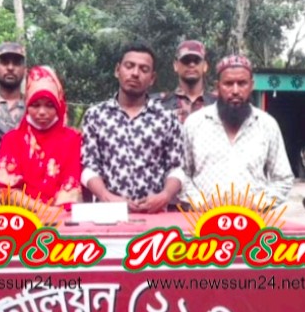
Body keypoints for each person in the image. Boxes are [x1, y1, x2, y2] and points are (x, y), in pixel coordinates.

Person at [81, 42, 186, 213]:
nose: (135, 73)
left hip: (154, 215)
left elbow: (177, 168)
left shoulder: (166, 118)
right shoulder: (96, 116)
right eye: (129, 66)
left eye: (144, 69)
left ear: (152, 78)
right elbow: (89, 168)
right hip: (108, 215)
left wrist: (165, 196)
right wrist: (106, 196)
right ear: (117, 70)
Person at [181, 54, 293, 207]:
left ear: (251, 85)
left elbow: (283, 179)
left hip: (253, 219)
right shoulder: (195, 123)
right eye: (228, 83)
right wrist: (202, 203)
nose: (235, 90)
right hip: (203, 218)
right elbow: (182, 173)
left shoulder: (267, 125)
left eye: (242, 83)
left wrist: (257, 203)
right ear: (218, 86)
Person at [0, 65, 82, 206]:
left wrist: (54, 214)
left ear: (59, 105)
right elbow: (5, 191)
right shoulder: (12, 140)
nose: (42, 112)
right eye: (35, 105)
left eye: (49, 105)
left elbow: (71, 186)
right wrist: (39, 210)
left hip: (61, 215)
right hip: (22, 214)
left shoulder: (72, 139)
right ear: (27, 105)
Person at [158, 40, 217, 124]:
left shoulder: (217, 104)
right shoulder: (161, 104)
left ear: (205, 66)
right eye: (186, 60)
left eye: (196, 60)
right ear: (176, 66)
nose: (191, 65)